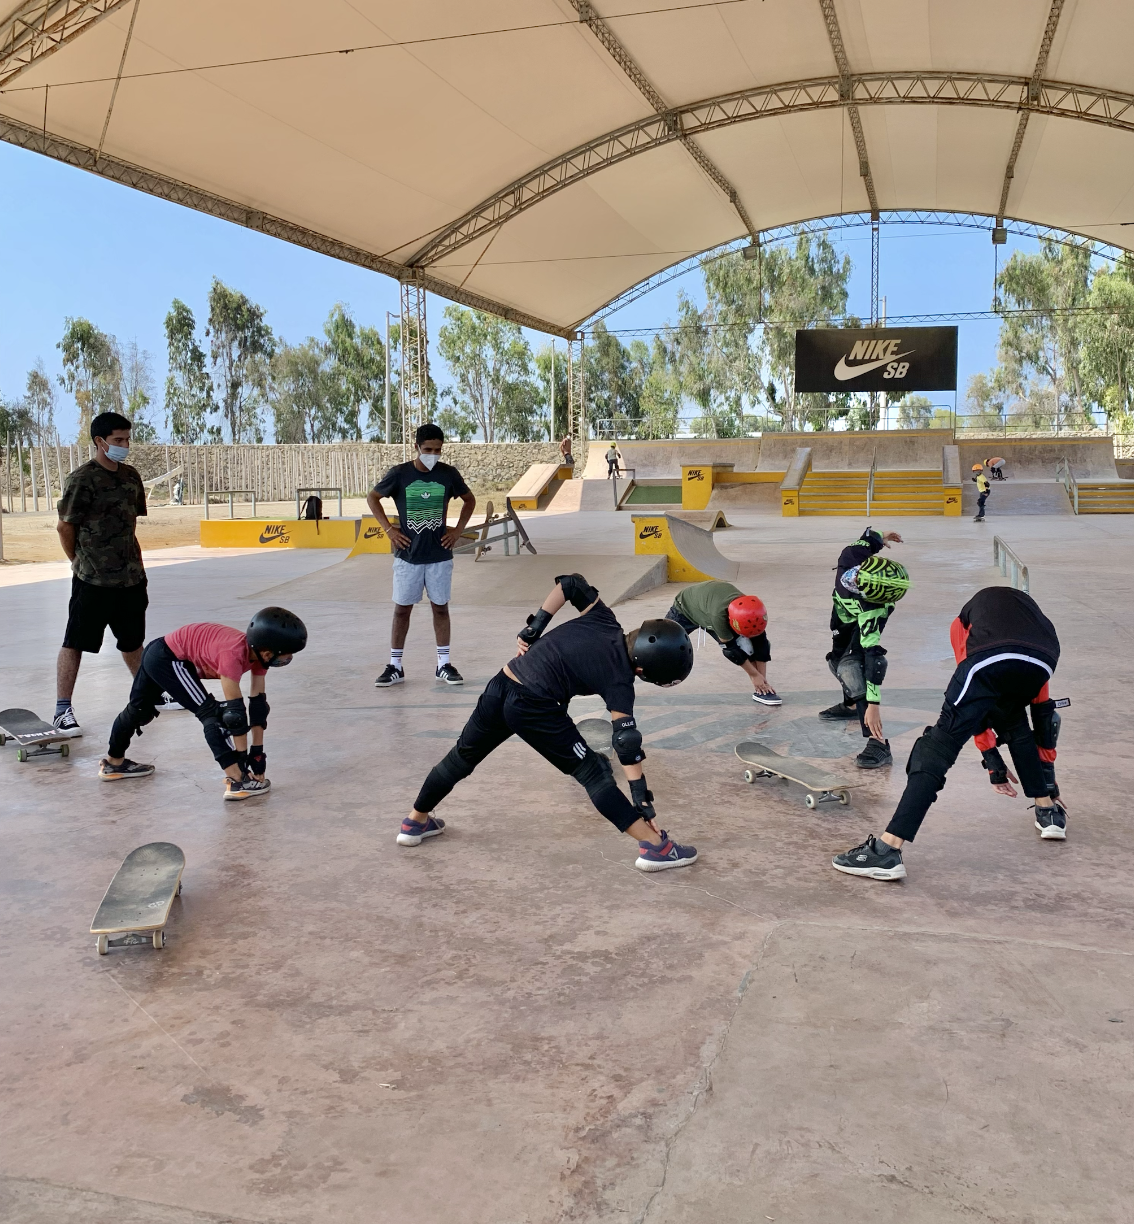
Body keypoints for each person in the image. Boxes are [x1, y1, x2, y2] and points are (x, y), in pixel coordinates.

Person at [396, 574, 699, 872]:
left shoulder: (604, 619)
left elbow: (570, 584)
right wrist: (641, 800)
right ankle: (656, 847)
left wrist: (533, 628)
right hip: (533, 705)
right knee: (595, 773)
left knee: (462, 756)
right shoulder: (620, 680)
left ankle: (415, 821)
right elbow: (626, 743)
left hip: (502, 683)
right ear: (647, 670)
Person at [832, 586, 1066, 881]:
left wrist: (991, 759)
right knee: (1015, 720)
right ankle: (1048, 812)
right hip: (1043, 662)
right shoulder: (1038, 627)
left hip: (988, 661)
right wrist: (1049, 780)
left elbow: (972, 698)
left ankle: (888, 849)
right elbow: (1043, 713)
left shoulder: (962, 621)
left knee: (937, 745)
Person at [99, 607, 307, 801]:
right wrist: (243, 761)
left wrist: (258, 755)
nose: (287, 659)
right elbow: (235, 716)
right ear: (267, 652)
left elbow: (258, 707)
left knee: (138, 711)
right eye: (286, 655)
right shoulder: (232, 655)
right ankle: (237, 781)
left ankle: (113, 762)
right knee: (214, 716)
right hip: (168, 658)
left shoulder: (259, 656)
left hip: (160, 652)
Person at [53, 412, 148, 737]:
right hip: (92, 581)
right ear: (100, 441)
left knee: (133, 641)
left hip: (131, 578)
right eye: (118, 440)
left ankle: (148, 693)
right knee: (75, 642)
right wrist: (78, 560)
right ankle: (62, 709)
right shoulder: (82, 479)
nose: (124, 446)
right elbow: (65, 526)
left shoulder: (131, 477)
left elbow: (131, 523)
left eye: (127, 439)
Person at [369, 423, 476, 688]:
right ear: (416, 447)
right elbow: (373, 497)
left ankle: (443, 664)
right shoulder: (400, 474)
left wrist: (458, 531)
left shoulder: (448, 474)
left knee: (440, 608)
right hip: (408, 557)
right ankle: (395, 666)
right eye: (427, 449)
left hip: (439, 556)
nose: (433, 454)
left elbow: (469, 500)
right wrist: (389, 530)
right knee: (402, 610)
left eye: (438, 450)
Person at [818, 527, 910, 769]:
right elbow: (868, 539)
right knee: (836, 662)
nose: (852, 579)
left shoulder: (873, 611)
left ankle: (877, 742)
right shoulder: (850, 559)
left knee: (851, 669)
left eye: (858, 583)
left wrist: (874, 706)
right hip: (841, 619)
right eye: (857, 575)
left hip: (859, 623)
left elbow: (874, 659)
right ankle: (850, 706)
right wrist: (882, 537)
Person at [665, 580, 780, 705]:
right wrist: (754, 674)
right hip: (685, 607)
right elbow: (731, 650)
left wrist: (761, 678)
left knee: (748, 647)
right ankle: (642, 668)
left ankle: (761, 690)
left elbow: (761, 643)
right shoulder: (719, 616)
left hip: (709, 603)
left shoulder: (752, 610)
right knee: (662, 645)